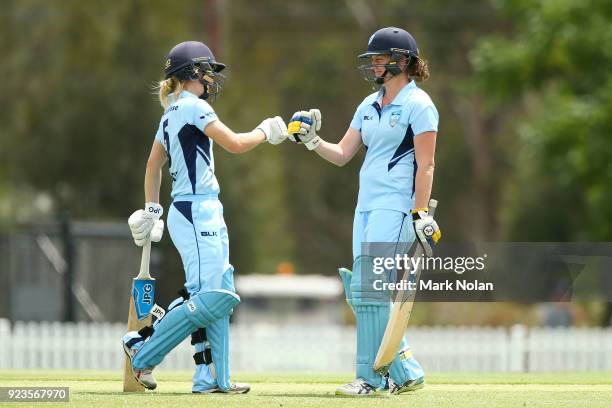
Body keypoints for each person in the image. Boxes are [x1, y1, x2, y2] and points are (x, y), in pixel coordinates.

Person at [122, 40, 288, 393]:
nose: (211, 79)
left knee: (212, 294)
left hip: (197, 209)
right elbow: (236, 144)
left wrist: (154, 207)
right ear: (191, 73)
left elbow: (154, 165)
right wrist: (265, 131)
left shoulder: (170, 112)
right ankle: (143, 349)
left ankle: (212, 378)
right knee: (214, 296)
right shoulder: (192, 107)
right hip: (197, 210)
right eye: (207, 71)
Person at [288, 27, 441, 395]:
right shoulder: (367, 105)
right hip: (366, 206)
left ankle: (372, 379)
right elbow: (342, 154)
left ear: (402, 61)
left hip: (398, 208)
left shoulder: (420, 105)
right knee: (364, 290)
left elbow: (427, 165)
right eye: (371, 58)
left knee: (371, 288)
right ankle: (405, 369)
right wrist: (311, 141)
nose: (373, 64)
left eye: (380, 57)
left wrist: (420, 213)